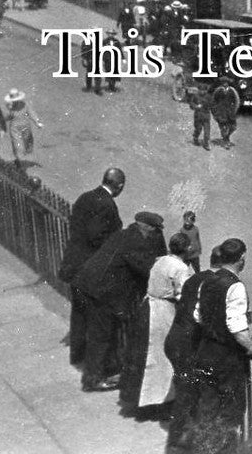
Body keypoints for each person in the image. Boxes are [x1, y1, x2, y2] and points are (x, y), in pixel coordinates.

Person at [73, 212, 166, 391]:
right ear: (145, 227)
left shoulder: (124, 234)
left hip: (89, 286)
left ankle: (105, 369)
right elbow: (147, 269)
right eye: (154, 231)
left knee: (102, 332)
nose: (156, 234)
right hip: (101, 293)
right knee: (101, 335)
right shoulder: (136, 242)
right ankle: (93, 380)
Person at [190, 238, 252, 454]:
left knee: (207, 405)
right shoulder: (235, 286)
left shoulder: (208, 280)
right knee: (229, 409)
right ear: (241, 259)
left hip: (205, 350)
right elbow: (237, 328)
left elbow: (197, 315)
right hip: (226, 357)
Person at [61, 169, 125, 366]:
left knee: (79, 311)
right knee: (97, 316)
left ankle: (78, 354)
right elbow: (96, 236)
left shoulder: (85, 197)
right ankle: (95, 362)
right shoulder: (107, 205)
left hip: (74, 263)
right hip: (90, 269)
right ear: (119, 186)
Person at [122, 232, 192, 413]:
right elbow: (182, 294)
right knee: (160, 357)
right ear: (187, 249)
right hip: (162, 313)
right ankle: (159, 402)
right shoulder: (181, 268)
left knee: (143, 353)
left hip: (147, 307)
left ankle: (140, 399)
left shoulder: (160, 261)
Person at [164, 248, 218, 453]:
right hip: (187, 345)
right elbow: (201, 317)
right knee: (188, 392)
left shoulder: (196, 278)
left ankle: (185, 435)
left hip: (177, 340)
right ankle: (178, 440)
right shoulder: (211, 283)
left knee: (188, 390)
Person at [2, 88, 42, 167]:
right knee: (17, 145)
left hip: (26, 127)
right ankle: (19, 162)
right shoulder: (11, 108)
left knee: (28, 145)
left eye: (16, 100)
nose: (15, 102)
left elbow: (31, 113)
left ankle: (20, 158)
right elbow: (7, 117)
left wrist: (37, 122)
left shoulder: (25, 105)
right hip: (15, 129)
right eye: (13, 100)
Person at [210, 77, 239, 148]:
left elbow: (236, 101)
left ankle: (227, 136)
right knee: (223, 127)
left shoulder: (232, 91)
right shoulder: (218, 90)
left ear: (228, 83)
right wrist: (214, 110)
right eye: (223, 82)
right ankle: (225, 141)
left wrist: (234, 109)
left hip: (230, 111)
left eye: (226, 82)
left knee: (233, 127)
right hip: (221, 111)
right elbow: (213, 100)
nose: (225, 84)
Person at [188, 84, 212, 151]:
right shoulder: (195, 96)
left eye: (204, 90)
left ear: (206, 91)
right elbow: (191, 104)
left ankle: (206, 143)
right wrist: (196, 106)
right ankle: (195, 138)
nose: (203, 92)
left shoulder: (209, 97)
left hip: (206, 116)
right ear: (199, 90)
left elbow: (212, 104)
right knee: (198, 129)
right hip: (198, 116)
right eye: (201, 90)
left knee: (207, 131)